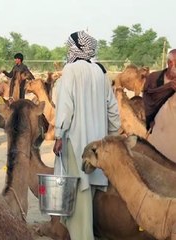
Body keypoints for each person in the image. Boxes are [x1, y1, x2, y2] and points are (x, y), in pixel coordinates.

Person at [52, 31, 120, 240]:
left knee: (78, 192)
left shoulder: (71, 70)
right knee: (87, 193)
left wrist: (58, 135)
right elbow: (113, 110)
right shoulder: (100, 73)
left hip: (76, 141)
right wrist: (112, 135)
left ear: (77, 48)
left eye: (70, 46)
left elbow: (65, 107)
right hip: (96, 145)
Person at [143, 49, 176, 161]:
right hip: (156, 125)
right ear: (169, 63)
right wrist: (150, 118)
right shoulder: (154, 77)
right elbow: (147, 96)